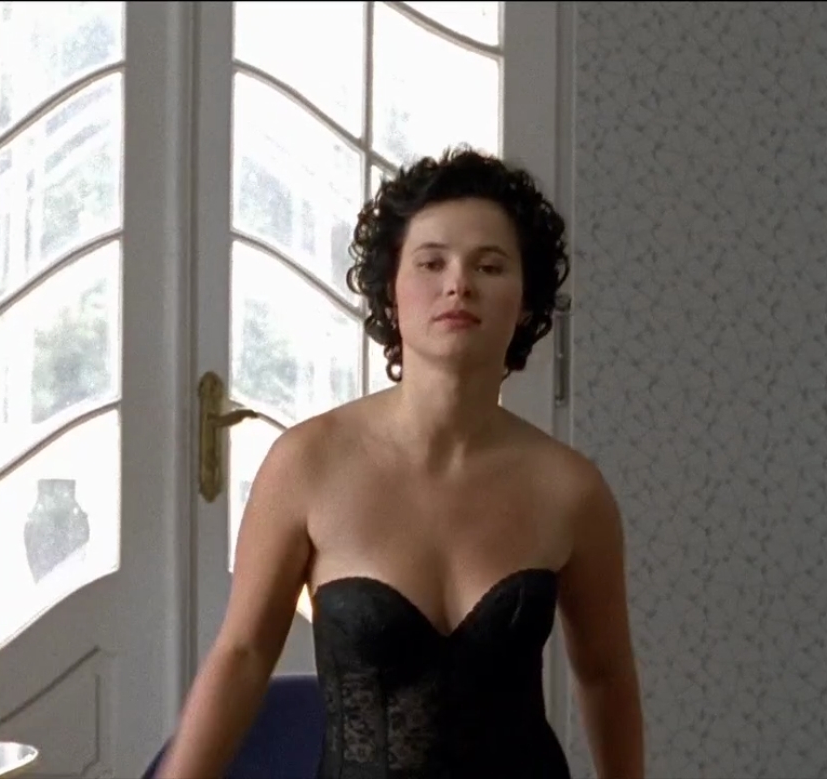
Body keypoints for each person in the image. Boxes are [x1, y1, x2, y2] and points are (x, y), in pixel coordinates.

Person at [157, 148, 645, 779]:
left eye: (489, 265)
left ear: (526, 301)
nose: (459, 284)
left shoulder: (572, 490)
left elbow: (606, 675)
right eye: (432, 262)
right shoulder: (307, 463)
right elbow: (242, 655)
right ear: (391, 287)